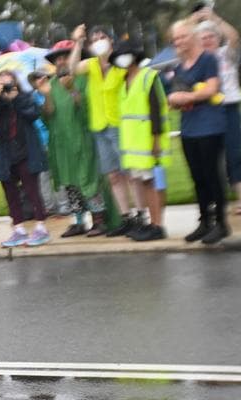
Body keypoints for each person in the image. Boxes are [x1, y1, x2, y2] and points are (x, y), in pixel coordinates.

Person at [70, 24, 135, 235]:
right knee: (113, 176)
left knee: (130, 173)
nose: (99, 41)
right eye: (94, 39)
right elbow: (71, 70)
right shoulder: (90, 65)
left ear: (111, 41)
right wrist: (77, 43)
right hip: (99, 126)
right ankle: (126, 217)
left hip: (120, 125)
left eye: (102, 37)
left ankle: (140, 215)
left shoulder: (120, 63)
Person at [169, 19, 229, 244]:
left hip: (210, 126)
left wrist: (187, 97)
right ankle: (205, 221)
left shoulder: (208, 59)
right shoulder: (178, 67)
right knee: (197, 177)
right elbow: (176, 94)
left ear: (193, 36)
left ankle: (222, 223)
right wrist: (174, 100)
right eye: (175, 39)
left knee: (213, 175)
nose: (179, 42)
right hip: (189, 128)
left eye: (182, 36)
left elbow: (213, 88)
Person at [41, 40, 108, 236]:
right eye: (57, 58)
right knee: (69, 181)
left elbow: (87, 107)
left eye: (65, 57)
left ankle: (99, 220)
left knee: (88, 179)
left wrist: (71, 89)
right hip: (61, 142)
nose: (61, 61)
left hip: (81, 137)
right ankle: (78, 221)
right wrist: (46, 97)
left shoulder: (82, 78)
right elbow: (48, 115)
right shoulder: (51, 84)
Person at [0, 70, 50, 248]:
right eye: (2, 83)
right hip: (5, 154)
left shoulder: (25, 97)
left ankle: (41, 227)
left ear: (16, 83)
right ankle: (19, 229)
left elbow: (33, 114)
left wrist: (16, 98)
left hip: (26, 151)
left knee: (32, 190)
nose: (6, 86)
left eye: (9, 82)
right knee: (10, 193)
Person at [196, 12, 241, 215]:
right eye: (202, 38)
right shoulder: (199, 61)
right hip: (207, 110)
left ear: (217, 38)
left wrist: (214, 18)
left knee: (235, 154)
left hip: (229, 107)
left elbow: (235, 37)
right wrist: (194, 20)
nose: (207, 40)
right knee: (210, 158)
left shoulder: (226, 54)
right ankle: (216, 199)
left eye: (211, 36)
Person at [114, 39, 169, 241]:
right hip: (135, 145)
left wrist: (155, 141)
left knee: (153, 183)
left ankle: (158, 225)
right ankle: (152, 223)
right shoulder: (124, 80)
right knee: (146, 184)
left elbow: (155, 111)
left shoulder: (148, 77)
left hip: (149, 143)